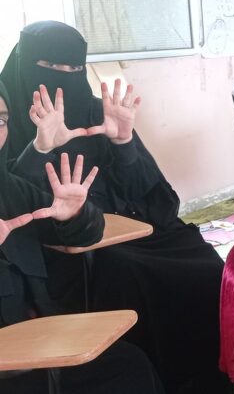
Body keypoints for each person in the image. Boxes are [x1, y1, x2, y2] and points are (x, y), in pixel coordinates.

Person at [0, 21, 234, 394]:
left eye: (74, 68)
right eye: (51, 67)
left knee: (205, 267)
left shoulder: (99, 112)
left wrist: (124, 143)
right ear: (25, 66)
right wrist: (40, 148)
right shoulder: (10, 119)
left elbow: (157, 200)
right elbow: (16, 204)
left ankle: (209, 382)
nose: (64, 79)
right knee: (128, 276)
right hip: (68, 253)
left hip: (127, 229)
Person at [0, 81, 164, 394]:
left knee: (130, 365)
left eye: (0, 120)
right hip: (10, 363)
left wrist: (75, 214)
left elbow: (89, 232)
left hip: (40, 341)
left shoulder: (10, 188)